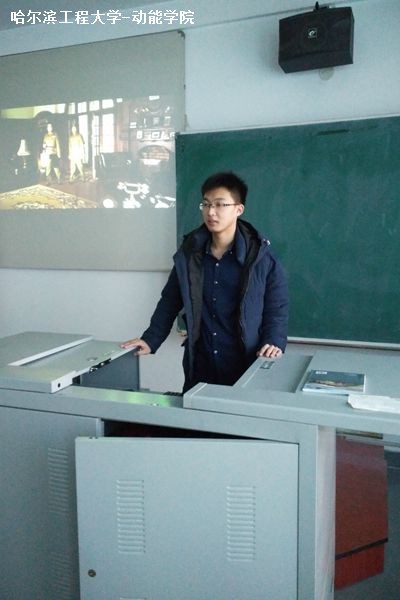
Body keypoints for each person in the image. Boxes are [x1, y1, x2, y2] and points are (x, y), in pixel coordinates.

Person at [122, 171, 289, 392]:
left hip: (245, 364)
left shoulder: (261, 258)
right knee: (194, 413)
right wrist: (150, 339)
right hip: (200, 364)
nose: (211, 212)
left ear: (238, 209)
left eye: (220, 205)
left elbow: (277, 308)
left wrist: (273, 341)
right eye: (206, 204)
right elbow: (170, 300)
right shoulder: (190, 254)